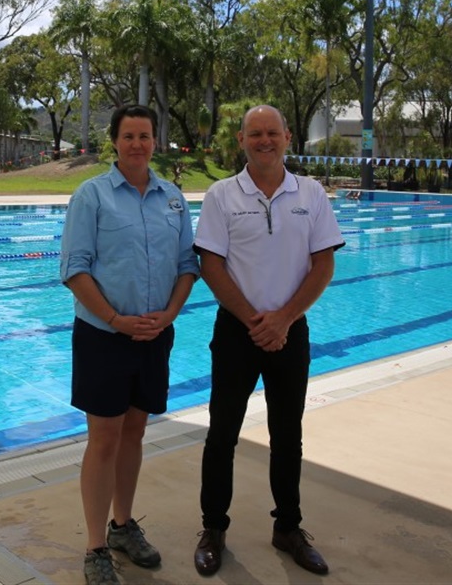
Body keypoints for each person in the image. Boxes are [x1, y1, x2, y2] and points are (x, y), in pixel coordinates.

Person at [191, 104, 345, 577]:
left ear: (287, 137)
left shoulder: (311, 193)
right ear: (242, 140)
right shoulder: (221, 195)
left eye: (271, 133)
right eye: (254, 133)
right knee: (221, 435)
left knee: (288, 436)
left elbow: (323, 264)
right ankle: (213, 528)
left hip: (290, 331)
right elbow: (210, 265)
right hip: (237, 332)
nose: (264, 140)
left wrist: (283, 319)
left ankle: (288, 528)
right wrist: (257, 321)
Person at [60, 104, 200, 585]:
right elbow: (74, 270)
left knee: (135, 432)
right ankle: (95, 547)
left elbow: (188, 266)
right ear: (115, 142)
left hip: (154, 336)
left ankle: (123, 526)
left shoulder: (173, 199)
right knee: (103, 441)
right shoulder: (91, 196)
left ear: (155, 141)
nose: (137, 144)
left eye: (145, 135)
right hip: (104, 337)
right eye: (129, 136)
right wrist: (116, 320)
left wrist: (171, 314)